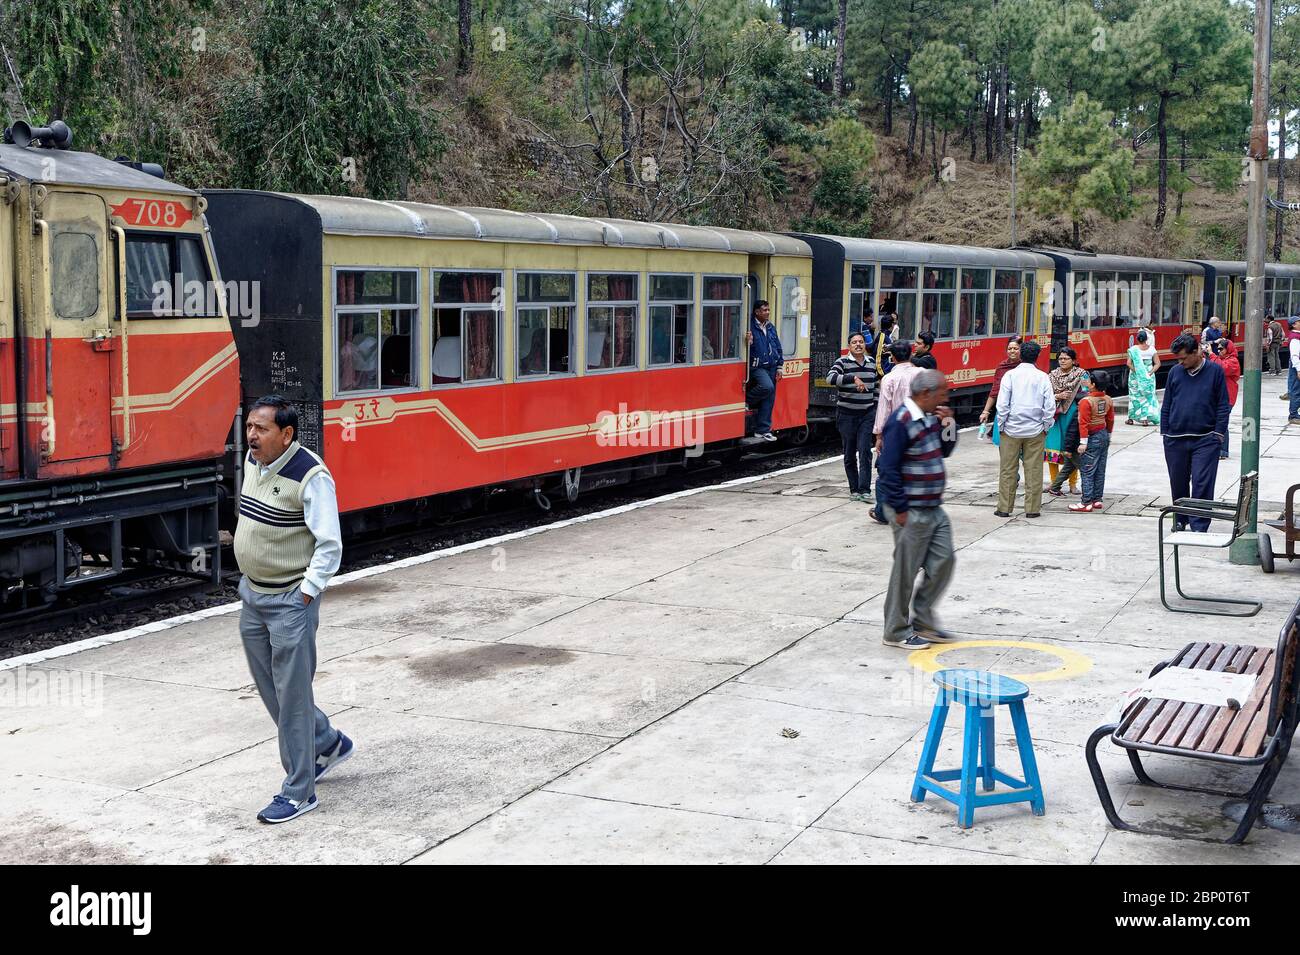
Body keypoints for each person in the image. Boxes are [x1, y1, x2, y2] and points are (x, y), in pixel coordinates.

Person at [235, 396, 352, 824]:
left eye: (261, 429)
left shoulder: (311, 476)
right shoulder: (253, 463)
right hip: (253, 596)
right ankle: (327, 742)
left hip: (288, 600)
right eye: (250, 426)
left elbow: (330, 544)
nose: (252, 435)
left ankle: (299, 790)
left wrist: (306, 592)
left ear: (286, 434)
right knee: (270, 687)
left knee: (293, 695)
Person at [876, 369, 959, 649]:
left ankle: (923, 619)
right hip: (910, 509)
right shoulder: (901, 420)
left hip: (933, 507)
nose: (946, 398)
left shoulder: (929, 418)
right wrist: (900, 508)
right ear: (926, 394)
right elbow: (886, 468)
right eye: (942, 394)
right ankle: (895, 631)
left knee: (944, 560)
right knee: (905, 571)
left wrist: (948, 422)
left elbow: (944, 450)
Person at [1160, 334, 1231, 532]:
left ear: (1196, 352)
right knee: (1178, 482)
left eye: (1183, 358)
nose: (1180, 362)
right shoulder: (1175, 372)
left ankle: (1199, 524)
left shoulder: (1215, 371)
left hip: (1206, 439)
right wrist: (1165, 432)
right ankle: (1180, 518)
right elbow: (1167, 404)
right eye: (1178, 359)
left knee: (1202, 482)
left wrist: (1219, 433)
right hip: (1175, 439)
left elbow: (1222, 405)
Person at [994, 340, 1055, 518]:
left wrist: (1002, 425)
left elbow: (1002, 404)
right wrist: (1045, 425)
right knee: (1034, 470)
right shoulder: (1043, 377)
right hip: (1035, 430)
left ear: (1020, 355)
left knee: (1007, 470)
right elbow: (1049, 406)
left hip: (1010, 430)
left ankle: (1004, 508)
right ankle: (1032, 509)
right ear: (1037, 357)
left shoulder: (1010, 376)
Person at [869, 340, 921, 524]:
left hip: (896, 431)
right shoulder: (922, 374)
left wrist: (879, 436)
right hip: (919, 429)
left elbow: (884, 409)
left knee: (886, 472)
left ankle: (883, 512)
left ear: (892, 357)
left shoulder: (889, 379)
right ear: (911, 354)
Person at [826, 332, 877, 501]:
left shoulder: (871, 364)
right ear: (849, 346)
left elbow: (875, 388)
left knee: (865, 451)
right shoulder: (842, 362)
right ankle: (854, 489)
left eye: (861, 342)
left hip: (867, 414)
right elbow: (830, 378)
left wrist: (875, 408)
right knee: (849, 453)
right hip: (847, 415)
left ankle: (865, 489)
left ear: (865, 345)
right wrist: (853, 378)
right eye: (854, 342)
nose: (858, 345)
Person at [1070, 370, 1114, 513]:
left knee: (1087, 470)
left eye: (1088, 380)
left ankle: (1086, 502)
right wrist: (1108, 435)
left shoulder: (1085, 402)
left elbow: (1083, 423)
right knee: (1100, 470)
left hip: (1091, 436)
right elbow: (1110, 419)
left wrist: (1083, 442)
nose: (1086, 382)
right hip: (1104, 434)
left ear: (1093, 384)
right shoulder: (1108, 399)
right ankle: (1097, 499)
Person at [1045, 347, 1084, 495]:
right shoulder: (1052, 376)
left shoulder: (1081, 375)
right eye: (1060, 358)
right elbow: (1045, 394)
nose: (1062, 361)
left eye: (1066, 358)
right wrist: (1057, 396)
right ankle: (1054, 482)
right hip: (1055, 415)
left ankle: (1073, 484)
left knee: (1072, 450)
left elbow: (1087, 393)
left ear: (1073, 361)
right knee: (1052, 449)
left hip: (1073, 415)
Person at [746, 299, 783, 441]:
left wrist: (780, 365)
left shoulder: (770, 327)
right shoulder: (749, 326)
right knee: (767, 387)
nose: (767, 312)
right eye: (764, 310)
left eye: (768, 310)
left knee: (770, 397)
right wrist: (747, 341)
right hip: (757, 366)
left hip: (772, 366)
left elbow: (777, 346)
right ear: (757, 312)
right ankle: (747, 400)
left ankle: (763, 430)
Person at [978, 337, 1020, 438]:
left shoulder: (1027, 366)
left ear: (1021, 350)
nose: (1012, 351)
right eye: (1010, 349)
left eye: (1015, 348)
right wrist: (985, 411)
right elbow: (995, 390)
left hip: (1022, 410)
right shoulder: (1002, 367)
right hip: (1005, 409)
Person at [1208, 338, 1240, 460]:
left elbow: (1221, 368)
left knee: (1222, 423)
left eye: (1221, 349)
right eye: (1218, 349)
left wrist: (1211, 354)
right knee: (1217, 422)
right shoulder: (1223, 359)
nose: (1219, 351)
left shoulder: (1233, 361)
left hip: (1227, 397)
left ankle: (1223, 450)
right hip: (1219, 397)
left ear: (1228, 349)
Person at [1126, 329, 1160, 426]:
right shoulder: (1152, 349)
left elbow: (1128, 363)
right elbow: (1157, 364)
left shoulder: (1133, 350)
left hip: (1135, 377)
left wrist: (1137, 372)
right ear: (1146, 339)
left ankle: (1131, 419)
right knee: (1148, 397)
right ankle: (1145, 420)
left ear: (1137, 339)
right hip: (1148, 376)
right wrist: (1149, 373)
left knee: (1134, 397)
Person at [1288, 318, 1300, 424]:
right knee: (1296, 390)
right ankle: (1293, 415)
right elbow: (1295, 356)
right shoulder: (1295, 338)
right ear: (1294, 325)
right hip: (1297, 366)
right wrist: (1299, 370)